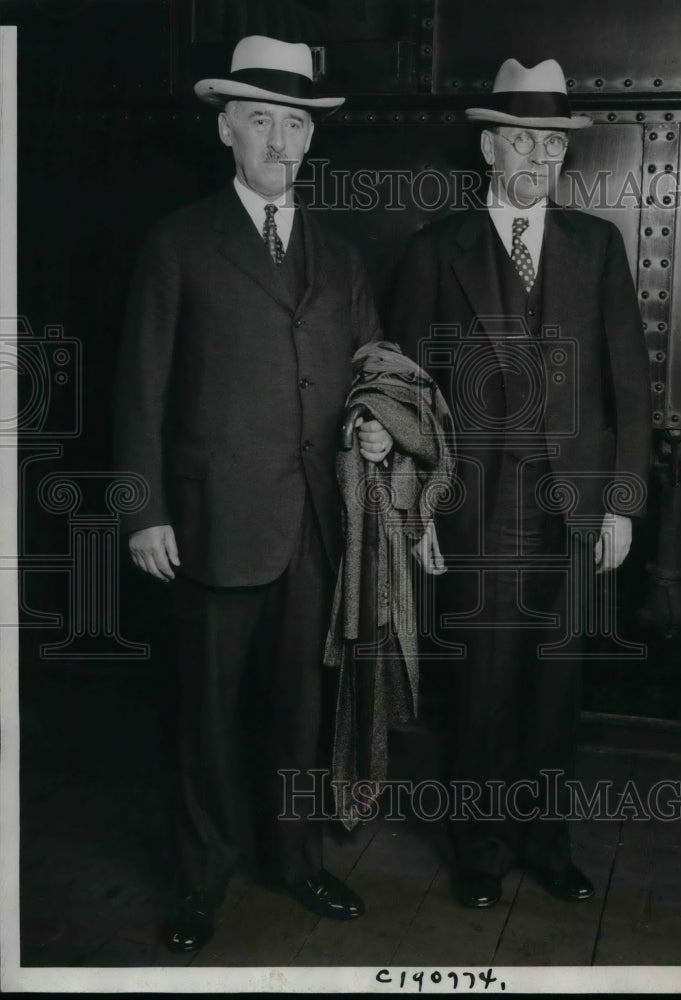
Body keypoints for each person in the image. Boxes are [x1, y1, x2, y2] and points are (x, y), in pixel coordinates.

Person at [113, 34, 393, 951]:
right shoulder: (179, 242)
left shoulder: (341, 256)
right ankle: (200, 881)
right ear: (227, 127)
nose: (283, 143)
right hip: (210, 520)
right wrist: (144, 510)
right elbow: (140, 385)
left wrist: (381, 420)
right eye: (264, 122)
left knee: (299, 709)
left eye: (298, 125)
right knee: (206, 717)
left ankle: (295, 858)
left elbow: (370, 371)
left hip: (318, 523)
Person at [390, 57, 651, 908]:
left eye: (553, 142)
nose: (538, 156)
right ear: (489, 147)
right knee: (481, 689)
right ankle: (479, 853)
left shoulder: (597, 246)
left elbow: (627, 386)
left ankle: (546, 845)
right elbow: (409, 395)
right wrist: (416, 504)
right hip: (475, 505)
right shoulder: (437, 250)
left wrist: (620, 503)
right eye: (522, 140)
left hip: (572, 505)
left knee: (555, 685)